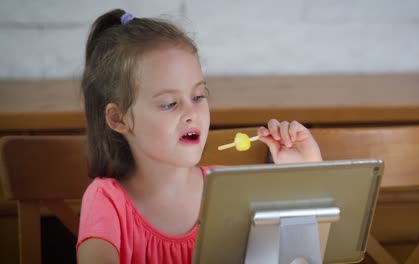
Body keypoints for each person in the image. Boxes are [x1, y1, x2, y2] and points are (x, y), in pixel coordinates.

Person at [76, 8, 323, 263]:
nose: (192, 113)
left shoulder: (229, 190)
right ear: (119, 119)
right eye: (170, 103)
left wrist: (302, 177)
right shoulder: (106, 202)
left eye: (198, 96)